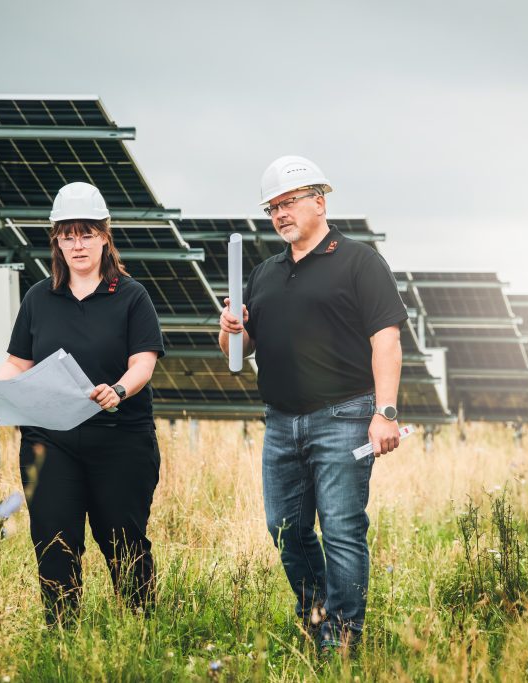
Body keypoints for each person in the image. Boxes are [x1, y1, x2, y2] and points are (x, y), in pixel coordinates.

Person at [218, 156, 408, 652]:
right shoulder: (264, 274)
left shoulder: (359, 262)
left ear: (318, 202)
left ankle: (343, 638)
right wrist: (230, 330)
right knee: (284, 528)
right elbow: (243, 349)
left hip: (344, 416)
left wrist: (384, 412)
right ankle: (317, 616)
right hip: (281, 421)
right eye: (272, 208)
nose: (280, 214)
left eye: (288, 203)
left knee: (342, 528)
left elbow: (386, 340)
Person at [0, 181, 165, 624]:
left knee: (123, 542)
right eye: (68, 234)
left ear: (105, 235)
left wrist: (116, 390)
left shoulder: (132, 296)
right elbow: (17, 363)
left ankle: (145, 631)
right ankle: (62, 638)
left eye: (87, 233)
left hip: (120, 439)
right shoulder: (40, 297)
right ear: (56, 238)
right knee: (54, 542)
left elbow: (143, 364)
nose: (78, 244)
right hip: (49, 442)